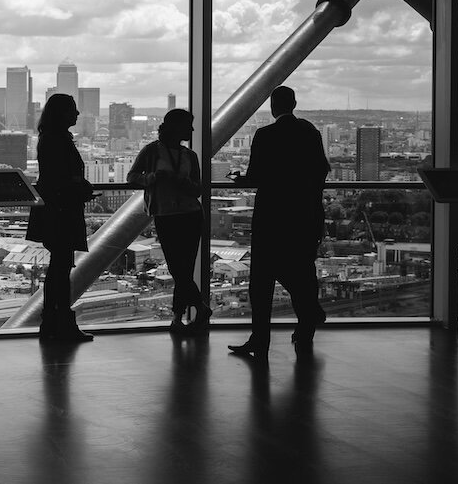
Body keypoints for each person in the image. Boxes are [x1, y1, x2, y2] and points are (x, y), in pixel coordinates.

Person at [228, 86, 331, 359]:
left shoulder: (265, 135)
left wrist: (240, 180)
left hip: (272, 216)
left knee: (262, 281)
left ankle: (260, 340)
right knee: (302, 270)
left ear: (273, 107)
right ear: (294, 103)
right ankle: (307, 322)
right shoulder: (310, 133)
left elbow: (255, 177)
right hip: (304, 216)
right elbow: (322, 170)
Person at [127, 109, 209, 334]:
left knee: (182, 269)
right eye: (188, 126)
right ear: (176, 128)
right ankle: (198, 309)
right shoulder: (152, 151)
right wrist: (153, 178)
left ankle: (177, 318)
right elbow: (132, 177)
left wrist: (178, 181)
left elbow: (197, 189)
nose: (192, 130)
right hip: (171, 215)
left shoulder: (189, 155)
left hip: (186, 215)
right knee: (179, 269)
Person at [26, 93, 96, 342]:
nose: (77, 114)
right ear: (62, 114)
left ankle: (53, 323)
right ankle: (60, 323)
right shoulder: (59, 140)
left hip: (55, 209)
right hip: (62, 211)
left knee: (58, 268)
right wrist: (81, 188)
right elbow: (62, 178)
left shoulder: (49, 139)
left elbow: (53, 177)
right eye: (73, 110)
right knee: (61, 268)